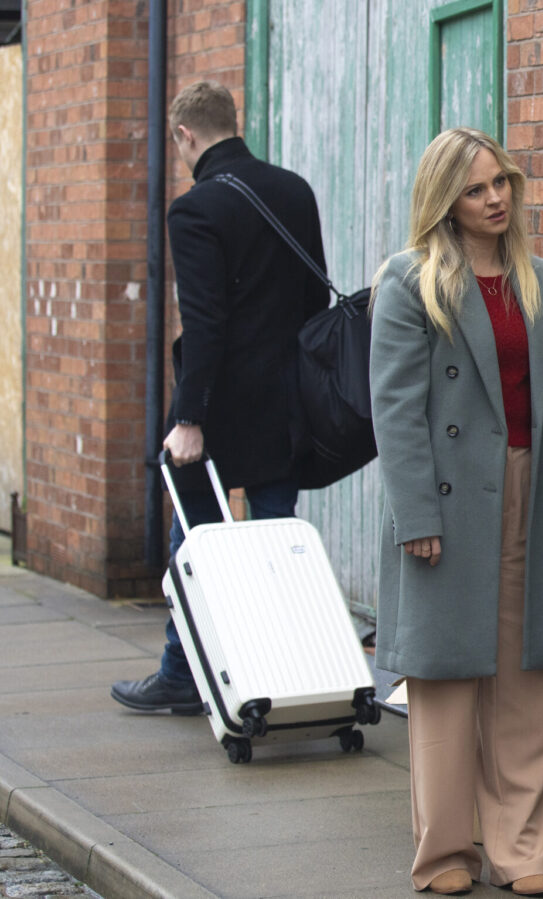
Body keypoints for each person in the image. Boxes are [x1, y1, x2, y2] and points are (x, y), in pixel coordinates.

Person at [369, 127, 543, 897]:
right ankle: (444, 856)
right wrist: (415, 517)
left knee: (530, 675)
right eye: (476, 188)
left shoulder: (540, 280)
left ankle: (525, 849)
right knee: (444, 682)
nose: (495, 197)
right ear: (445, 199)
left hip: (534, 489)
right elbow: (396, 412)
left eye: (501, 181)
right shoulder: (409, 282)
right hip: (445, 498)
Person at [110, 80, 329, 715]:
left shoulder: (195, 208)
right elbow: (314, 304)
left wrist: (189, 418)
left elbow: (204, 322)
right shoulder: (294, 190)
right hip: (287, 404)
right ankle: (283, 673)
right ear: (234, 121)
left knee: (194, 545)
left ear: (185, 135)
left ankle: (181, 674)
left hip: (221, 414)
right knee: (279, 543)